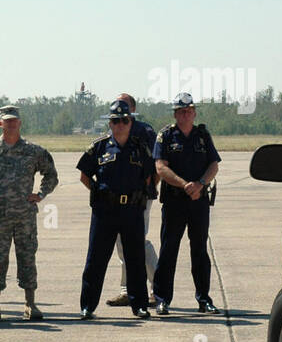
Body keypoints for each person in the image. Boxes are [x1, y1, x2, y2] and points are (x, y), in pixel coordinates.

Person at [0, 104, 58, 321]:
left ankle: (30, 303)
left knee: (27, 258)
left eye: (14, 121)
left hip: (24, 217)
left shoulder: (33, 151)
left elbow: (51, 175)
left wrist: (40, 193)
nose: (11, 124)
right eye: (7, 121)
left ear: (20, 123)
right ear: (0, 123)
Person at [77, 100, 155, 320]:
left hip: (132, 211)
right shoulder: (99, 146)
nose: (120, 124)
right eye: (115, 121)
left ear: (131, 122)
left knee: (135, 259)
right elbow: (84, 175)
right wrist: (98, 192)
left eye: (124, 120)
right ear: (109, 124)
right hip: (105, 211)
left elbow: (150, 177)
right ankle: (87, 306)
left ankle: (139, 305)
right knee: (96, 259)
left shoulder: (141, 148)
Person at [153, 93, 222, 315]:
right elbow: (160, 167)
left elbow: (214, 164)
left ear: (194, 113)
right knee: (168, 250)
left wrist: (200, 184)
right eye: (182, 111)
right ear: (175, 114)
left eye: (190, 111)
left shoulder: (202, 135)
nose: (186, 114)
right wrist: (185, 185)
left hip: (198, 202)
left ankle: (204, 299)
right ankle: (162, 299)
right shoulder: (166, 136)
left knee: (200, 250)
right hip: (175, 201)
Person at [108, 93, 159, 307]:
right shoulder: (115, 128)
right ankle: (126, 289)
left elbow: (156, 162)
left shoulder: (145, 131)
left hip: (140, 197)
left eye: (125, 107)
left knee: (138, 240)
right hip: (118, 198)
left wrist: (149, 189)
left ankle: (158, 287)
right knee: (122, 241)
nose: (121, 112)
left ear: (134, 110)